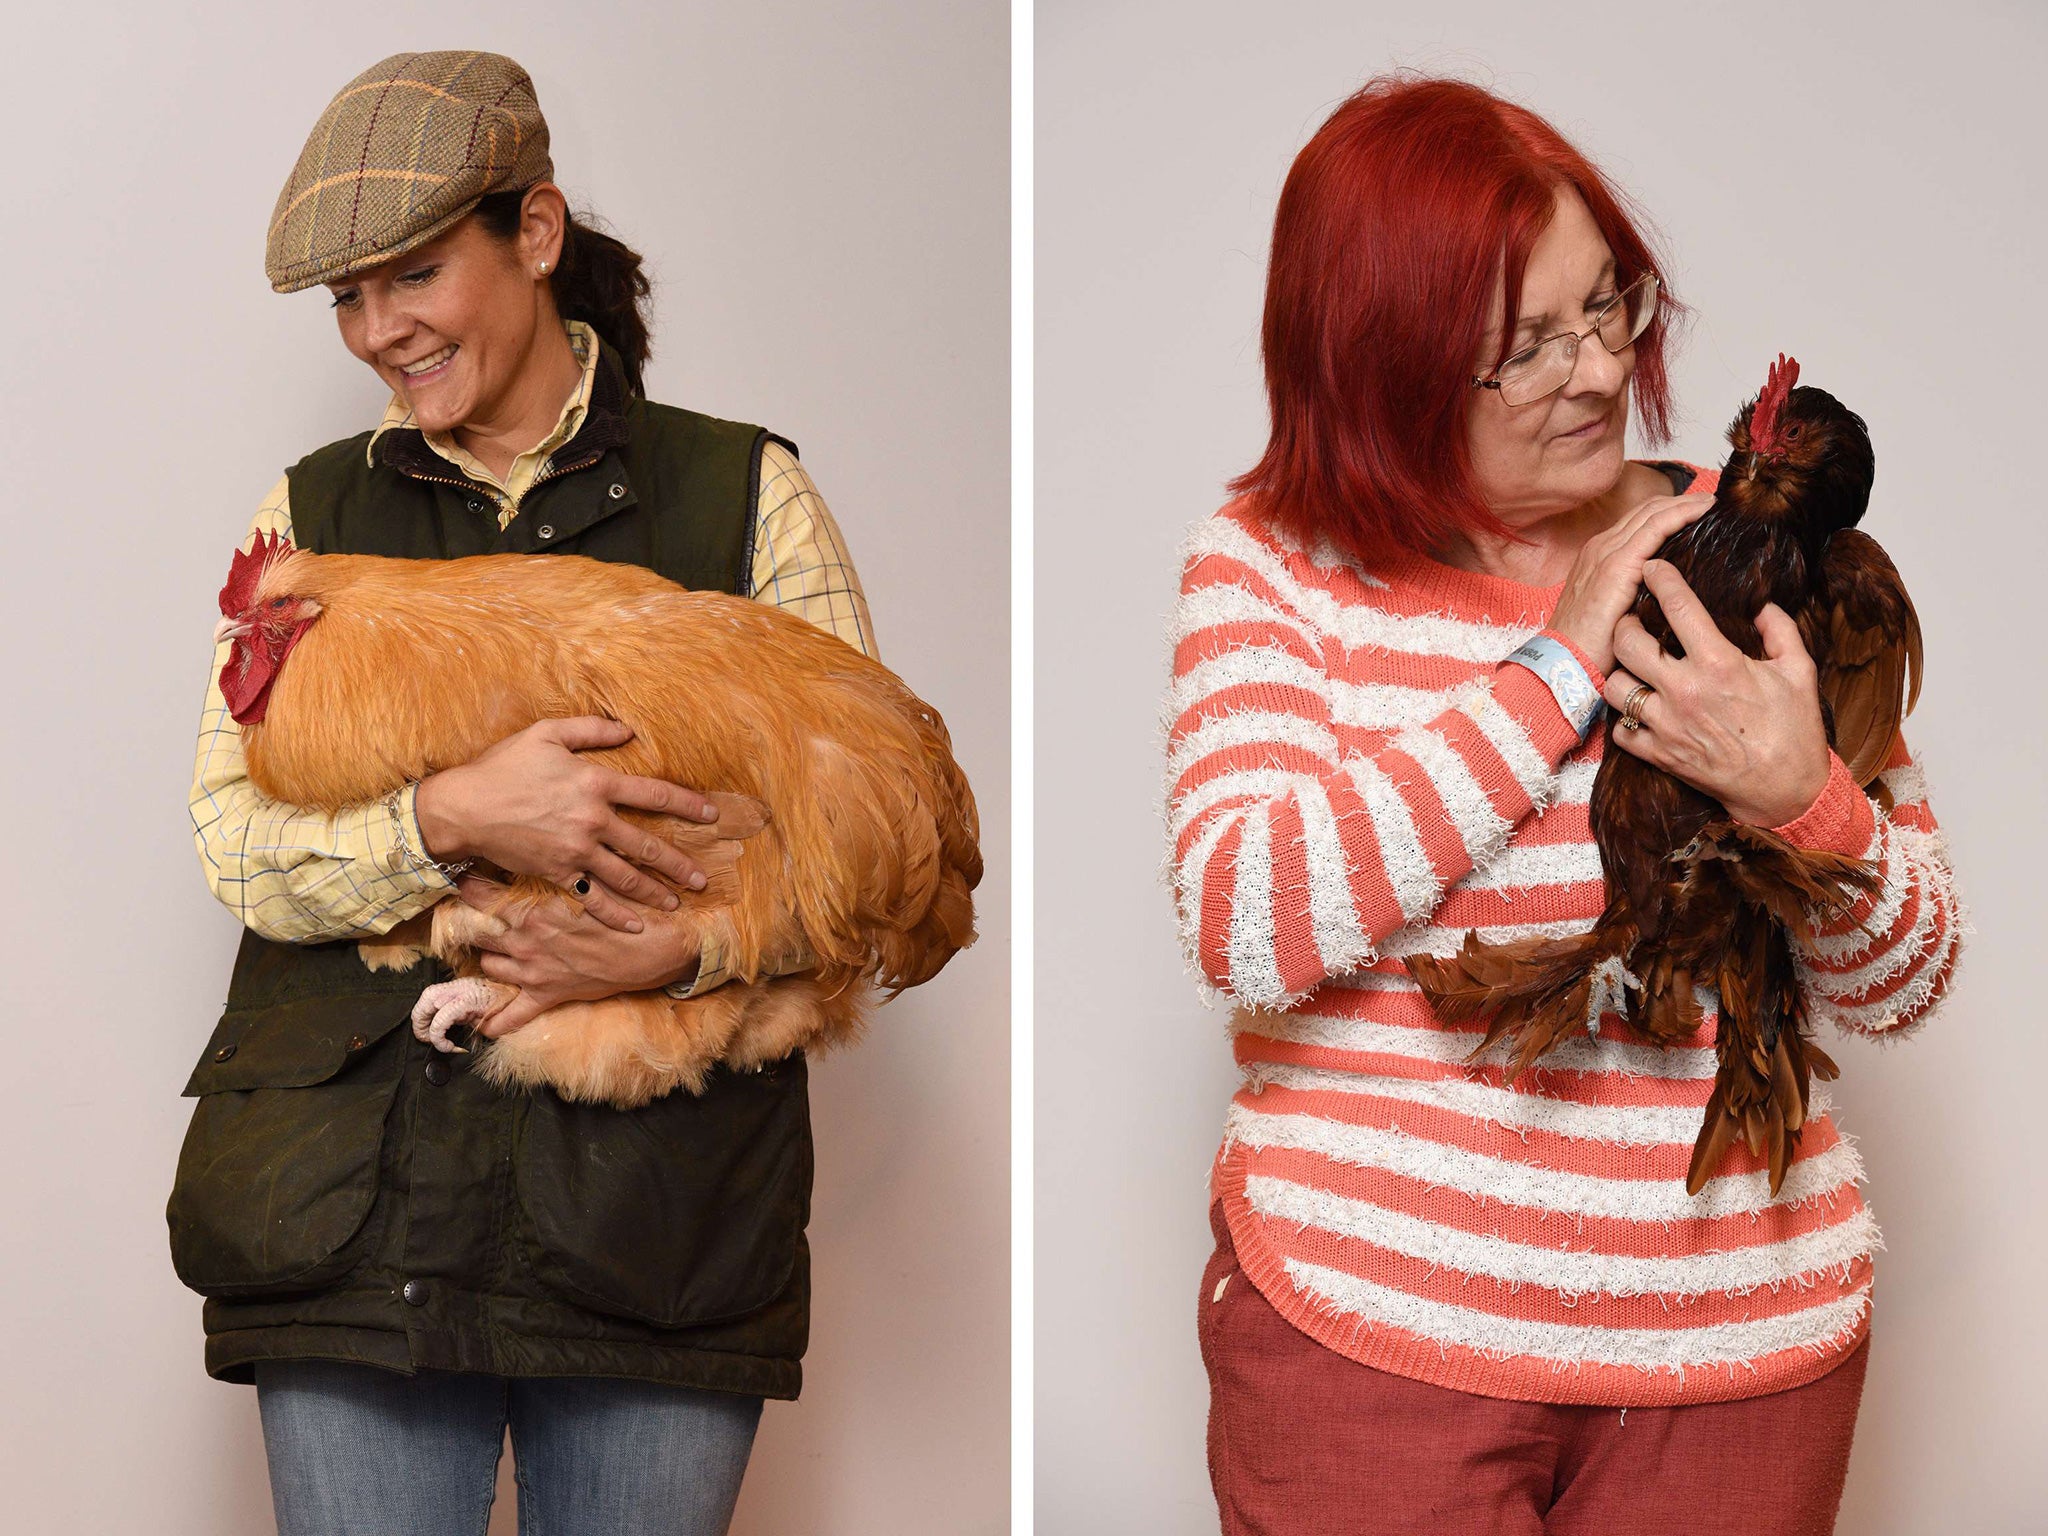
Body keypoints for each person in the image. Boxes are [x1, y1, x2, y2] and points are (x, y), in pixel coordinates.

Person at [1166, 76, 1960, 1535]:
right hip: (1377, 1333)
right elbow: (1244, 918)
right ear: (1385, 368)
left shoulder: (1769, 553)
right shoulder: (1275, 563)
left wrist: (1806, 800)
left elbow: (1906, 976)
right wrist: (1552, 667)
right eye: (1522, 349)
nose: (1597, 371)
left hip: (1739, 1354)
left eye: (1608, 306)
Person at [171, 52, 875, 1536]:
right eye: (348, 300)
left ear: (535, 232)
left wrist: (671, 951)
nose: (379, 330)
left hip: (652, 1225)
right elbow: (236, 838)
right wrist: (452, 820)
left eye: (411, 274)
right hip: (359, 1229)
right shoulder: (309, 511)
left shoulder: (747, 499)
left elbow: (864, 846)